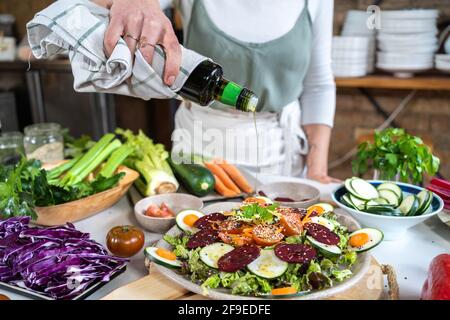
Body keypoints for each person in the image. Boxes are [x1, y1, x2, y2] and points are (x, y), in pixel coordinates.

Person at [94, 0, 339, 184]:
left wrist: (317, 171)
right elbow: (98, 4)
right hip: (201, 148)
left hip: (279, 153)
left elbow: (318, 84)